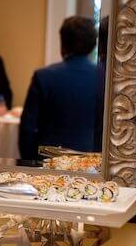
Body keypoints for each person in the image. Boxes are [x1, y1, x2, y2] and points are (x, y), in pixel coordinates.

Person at [19, 16, 99, 160]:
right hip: (91, 163)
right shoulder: (103, 77)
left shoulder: (43, 76)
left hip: (48, 163)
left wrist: (29, 164)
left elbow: (27, 130)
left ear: (63, 44)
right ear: (93, 45)